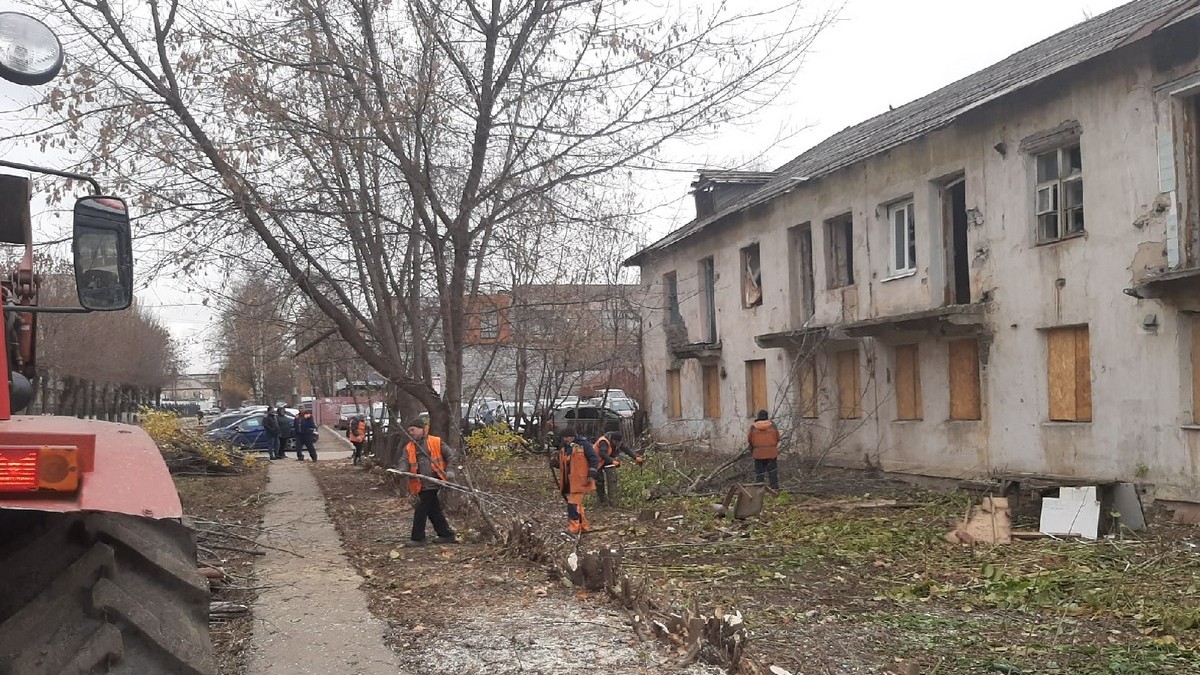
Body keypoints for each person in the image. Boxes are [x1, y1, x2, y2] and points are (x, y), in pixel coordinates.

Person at [400, 419, 457, 546]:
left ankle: (418, 538)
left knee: (421, 509)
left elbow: (451, 456)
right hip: (420, 483)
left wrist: (450, 471)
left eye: (412, 430)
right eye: (409, 431)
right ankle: (446, 534)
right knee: (433, 509)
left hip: (435, 481)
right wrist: (402, 470)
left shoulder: (435, 441)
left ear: (421, 429)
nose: (410, 433)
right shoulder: (409, 447)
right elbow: (404, 460)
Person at [552, 427, 600, 534]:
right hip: (570, 481)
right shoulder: (565, 448)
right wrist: (556, 464)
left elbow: (594, 458)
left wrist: (592, 473)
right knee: (577, 504)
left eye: (567, 437)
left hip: (581, 480)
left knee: (572, 504)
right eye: (564, 437)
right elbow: (568, 464)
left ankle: (574, 528)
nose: (565, 439)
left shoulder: (584, 445)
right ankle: (584, 526)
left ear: (573, 437)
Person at [592, 431, 643, 506]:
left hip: (603, 460)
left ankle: (612, 497)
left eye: (620, 442)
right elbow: (602, 454)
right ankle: (602, 499)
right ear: (612, 440)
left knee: (612, 475)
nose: (619, 444)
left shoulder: (617, 442)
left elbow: (626, 449)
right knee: (600, 480)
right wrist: (612, 461)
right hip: (595, 461)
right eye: (617, 442)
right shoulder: (604, 442)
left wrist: (635, 457)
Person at [748, 409, 781, 490]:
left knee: (759, 474)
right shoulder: (773, 426)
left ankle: (760, 490)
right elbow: (777, 438)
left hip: (758, 454)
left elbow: (750, 440)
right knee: (772, 473)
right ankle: (775, 489)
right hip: (771, 454)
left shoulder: (753, 427)